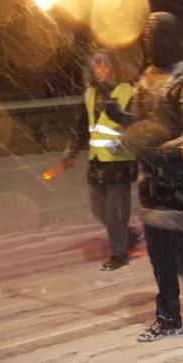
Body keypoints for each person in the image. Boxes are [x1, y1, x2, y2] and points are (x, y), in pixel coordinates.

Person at [105, 12, 183, 342]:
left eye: (158, 39)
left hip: (181, 181)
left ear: (174, 40)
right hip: (154, 183)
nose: (153, 45)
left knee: (168, 254)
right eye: (148, 39)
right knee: (168, 256)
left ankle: (170, 316)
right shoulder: (148, 78)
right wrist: (123, 121)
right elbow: (144, 125)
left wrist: (160, 154)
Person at [62, 50, 140, 271]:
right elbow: (81, 127)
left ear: (114, 68)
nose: (102, 70)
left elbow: (139, 126)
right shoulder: (90, 94)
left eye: (106, 65)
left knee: (116, 212)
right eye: (98, 66)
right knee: (98, 208)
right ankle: (126, 235)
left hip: (120, 163)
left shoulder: (127, 92)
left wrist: (126, 137)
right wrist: (71, 151)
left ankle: (119, 254)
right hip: (97, 161)